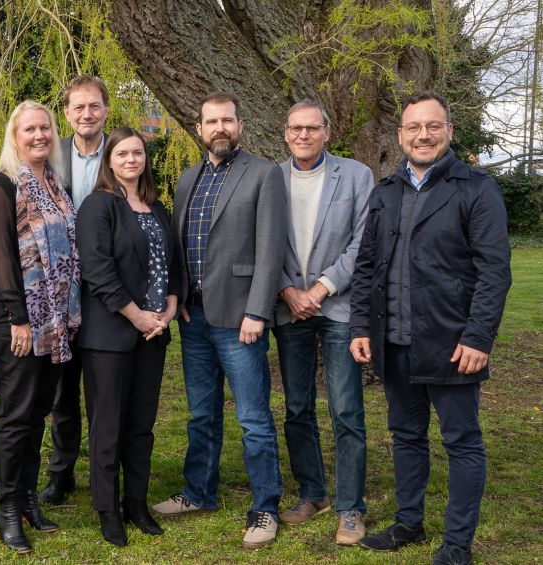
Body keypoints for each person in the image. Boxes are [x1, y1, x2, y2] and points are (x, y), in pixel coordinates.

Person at [349, 91, 511, 565]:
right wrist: (361, 325)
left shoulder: (477, 189)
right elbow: (366, 267)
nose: (423, 135)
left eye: (432, 126)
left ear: (449, 132)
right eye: (413, 128)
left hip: (452, 344)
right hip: (394, 341)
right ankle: (408, 524)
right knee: (405, 435)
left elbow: (494, 271)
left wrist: (478, 337)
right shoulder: (387, 191)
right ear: (400, 135)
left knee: (461, 442)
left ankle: (457, 545)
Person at [152, 91, 287, 549]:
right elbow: (180, 243)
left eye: (227, 120)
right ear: (199, 129)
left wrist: (257, 311)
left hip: (239, 318)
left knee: (253, 418)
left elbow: (271, 250)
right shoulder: (187, 179)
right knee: (201, 413)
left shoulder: (264, 173)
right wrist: (179, 295)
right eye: (212, 122)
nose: (220, 129)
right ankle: (199, 493)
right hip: (194, 317)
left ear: (240, 125)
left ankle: (265, 506)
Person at [0, 100, 80, 554]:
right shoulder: (3, 188)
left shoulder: (55, 185)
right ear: (14, 137)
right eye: (29, 130)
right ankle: (6, 509)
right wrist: (18, 318)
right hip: (15, 323)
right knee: (15, 415)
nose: (39, 136)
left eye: (45, 128)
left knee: (39, 411)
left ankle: (26, 498)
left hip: (54, 323)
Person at [272, 100, 373, 545]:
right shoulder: (269, 177)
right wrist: (288, 291)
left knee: (345, 408)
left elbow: (362, 243)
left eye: (312, 128)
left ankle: (351, 508)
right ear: (286, 133)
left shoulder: (355, 176)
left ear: (327, 132)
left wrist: (321, 289)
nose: (303, 135)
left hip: (337, 308)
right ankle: (312, 493)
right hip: (289, 306)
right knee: (296, 406)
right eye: (296, 128)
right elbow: (260, 243)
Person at [75, 128, 180, 547]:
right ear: (110, 160)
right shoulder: (99, 206)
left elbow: (174, 264)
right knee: (108, 425)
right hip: (110, 335)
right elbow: (97, 270)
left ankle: (136, 502)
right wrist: (137, 316)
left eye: (138, 152)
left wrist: (169, 309)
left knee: (141, 424)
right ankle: (108, 509)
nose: (132, 159)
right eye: (123, 153)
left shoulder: (157, 209)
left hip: (153, 335)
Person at [40, 75, 110, 505]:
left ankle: (107, 468)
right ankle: (61, 471)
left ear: (105, 110)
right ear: (66, 113)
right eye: (78, 107)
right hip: (60, 292)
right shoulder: (51, 156)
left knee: (103, 389)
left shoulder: (121, 153)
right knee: (62, 391)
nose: (87, 113)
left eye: (95, 106)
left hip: (106, 291)